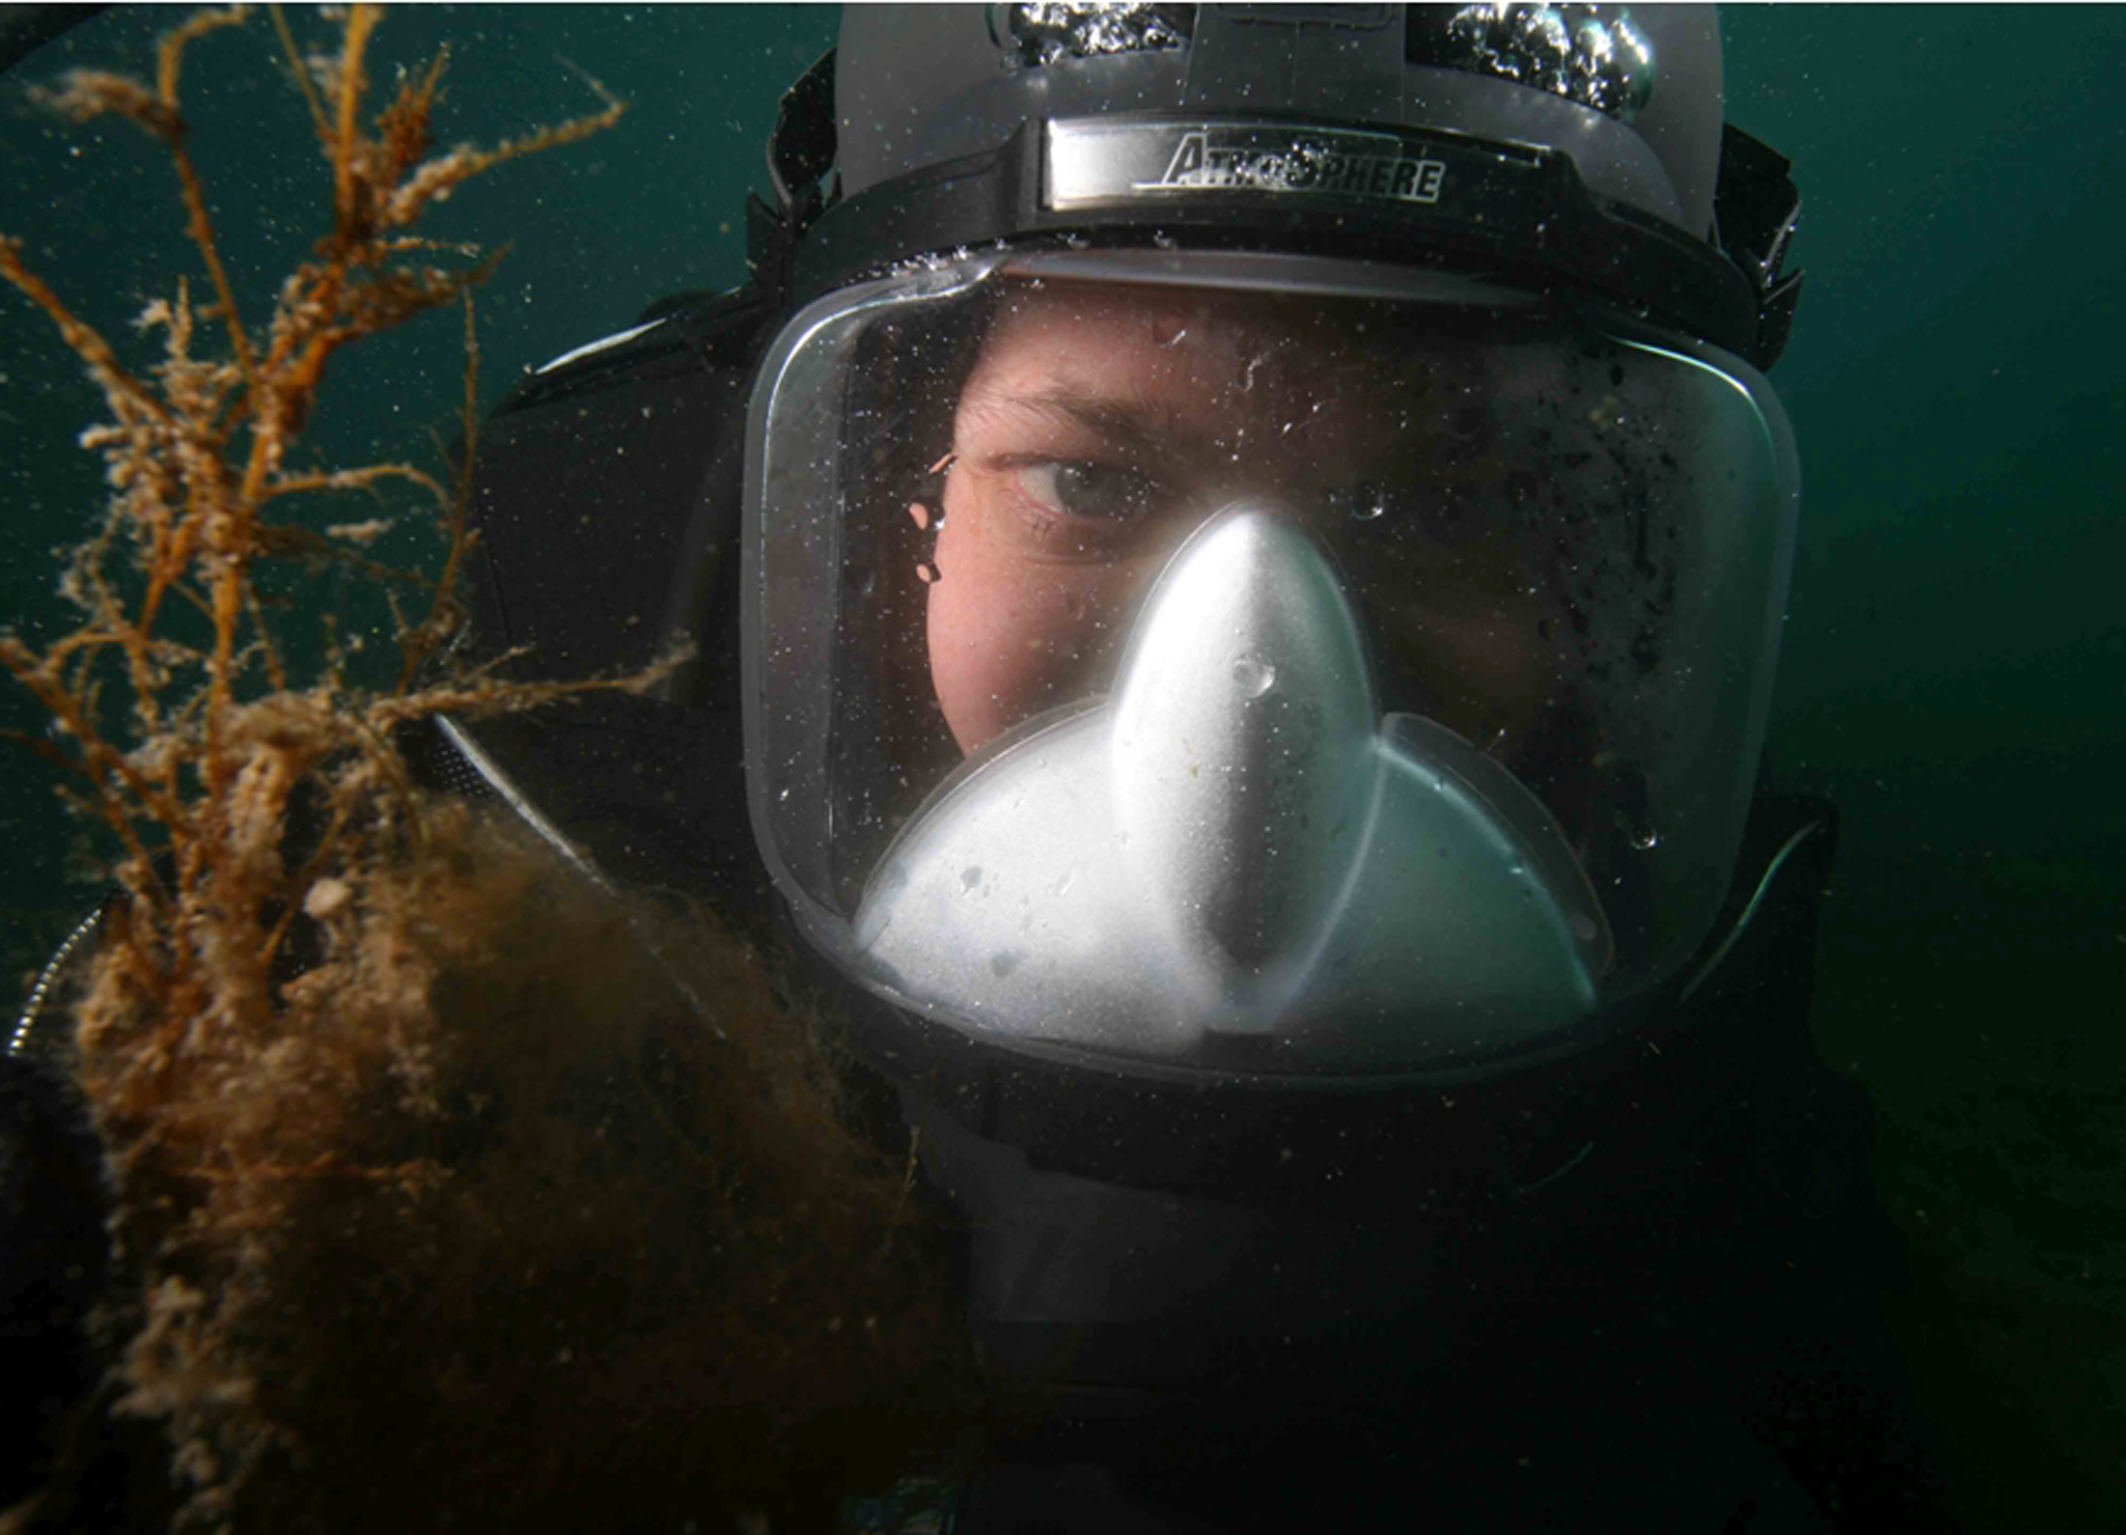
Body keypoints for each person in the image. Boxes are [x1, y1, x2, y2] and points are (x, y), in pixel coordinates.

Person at [6, 5, 1954, 1529]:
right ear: (885, 496)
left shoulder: (1690, 1030)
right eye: (1092, 477)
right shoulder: (515, 887)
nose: (1253, 691)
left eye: (1434, 508)